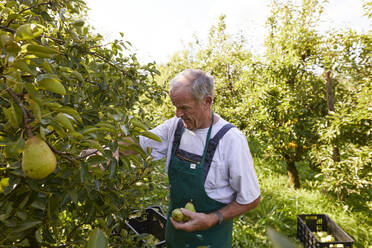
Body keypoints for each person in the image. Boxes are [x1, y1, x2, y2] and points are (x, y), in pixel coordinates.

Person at [135, 69, 261, 247]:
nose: (178, 114)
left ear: (207, 102)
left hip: (210, 240)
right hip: (175, 238)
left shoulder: (231, 140)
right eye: (175, 107)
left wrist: (212, 218)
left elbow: (251, 199)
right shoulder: (175, 127)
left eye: (184, 107)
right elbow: (138, 143)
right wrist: (106, 151)